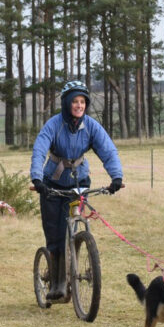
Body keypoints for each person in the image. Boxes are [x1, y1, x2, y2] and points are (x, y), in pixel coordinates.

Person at [30, 80, 124, 300]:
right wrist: (37, 178)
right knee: (54, 232)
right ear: (66, 103)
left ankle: (76, 254)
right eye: (75, 101)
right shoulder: (53, 125)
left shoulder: (91, 126)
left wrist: (116, 177)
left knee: (70, 222)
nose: (79, 106)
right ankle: (58, 282)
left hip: (78, 182)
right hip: (51, 185)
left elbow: (108, 150)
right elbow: (39, 150)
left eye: (82, 102)